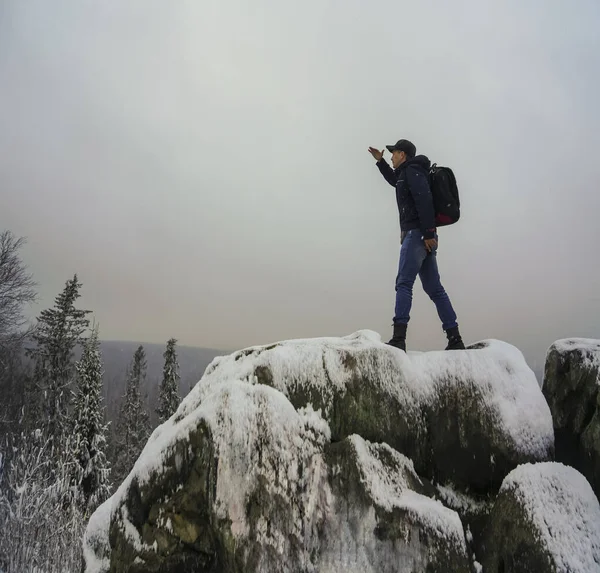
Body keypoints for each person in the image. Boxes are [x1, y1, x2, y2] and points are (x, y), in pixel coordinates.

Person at [368, 139, 465, 351]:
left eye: (394, 153)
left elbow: (424, 200)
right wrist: (381, 162)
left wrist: (429, 233)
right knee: (435, 289)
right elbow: (395, 181)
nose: (392, 156)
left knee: (404, 283)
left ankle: (398, 339)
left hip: (417, 236)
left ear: (403, 154)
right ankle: (455, 338)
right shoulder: (407, 174)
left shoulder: (413, 172)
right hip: (424, 236)